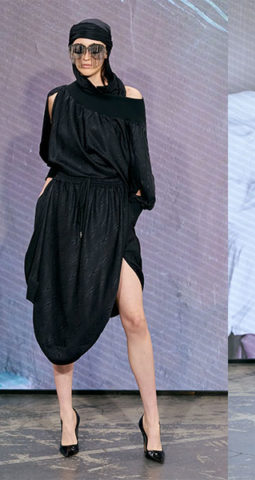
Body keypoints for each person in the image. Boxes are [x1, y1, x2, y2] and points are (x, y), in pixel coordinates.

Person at [24, 19, 164, 463]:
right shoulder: (57, 100)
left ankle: (152, 421)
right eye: (78, 48)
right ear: (70, 51)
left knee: (134, 317)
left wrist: (124, 214)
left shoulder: (129, 99)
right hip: (64, 213)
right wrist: (48, 198)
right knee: (61, 311)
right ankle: (67, 416)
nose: (86, 57)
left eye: (95, 49)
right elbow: (54, 158)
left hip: (111, 213)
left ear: (108, 52)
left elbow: (140, 168)